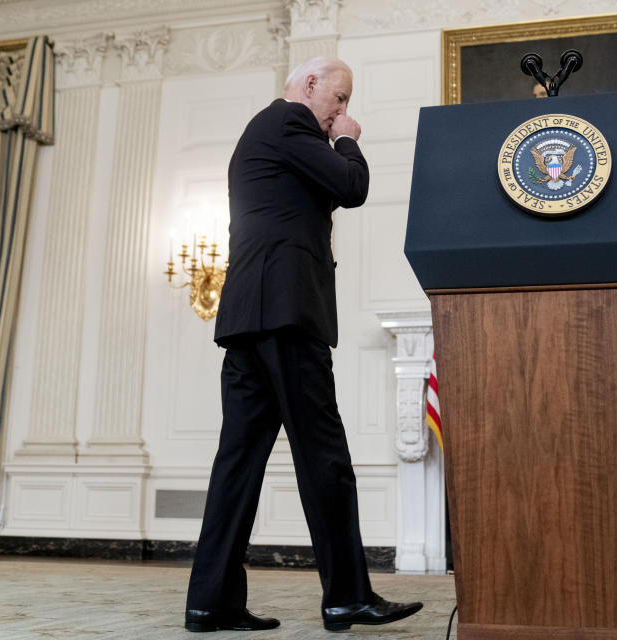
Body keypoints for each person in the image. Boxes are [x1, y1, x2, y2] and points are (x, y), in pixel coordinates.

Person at [184, 57, 423, 633]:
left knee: (237, 464)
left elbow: (322, 196)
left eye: (346, 105)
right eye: (339, 98)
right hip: (287, 316)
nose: (342, 112)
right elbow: (351, 186)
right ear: (309, 85)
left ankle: (209, 602)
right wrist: (348, 142)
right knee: (326, 459)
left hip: (249, 320)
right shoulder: (289, 122)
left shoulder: (271, 133)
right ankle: (346, 597)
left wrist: (333, 144)